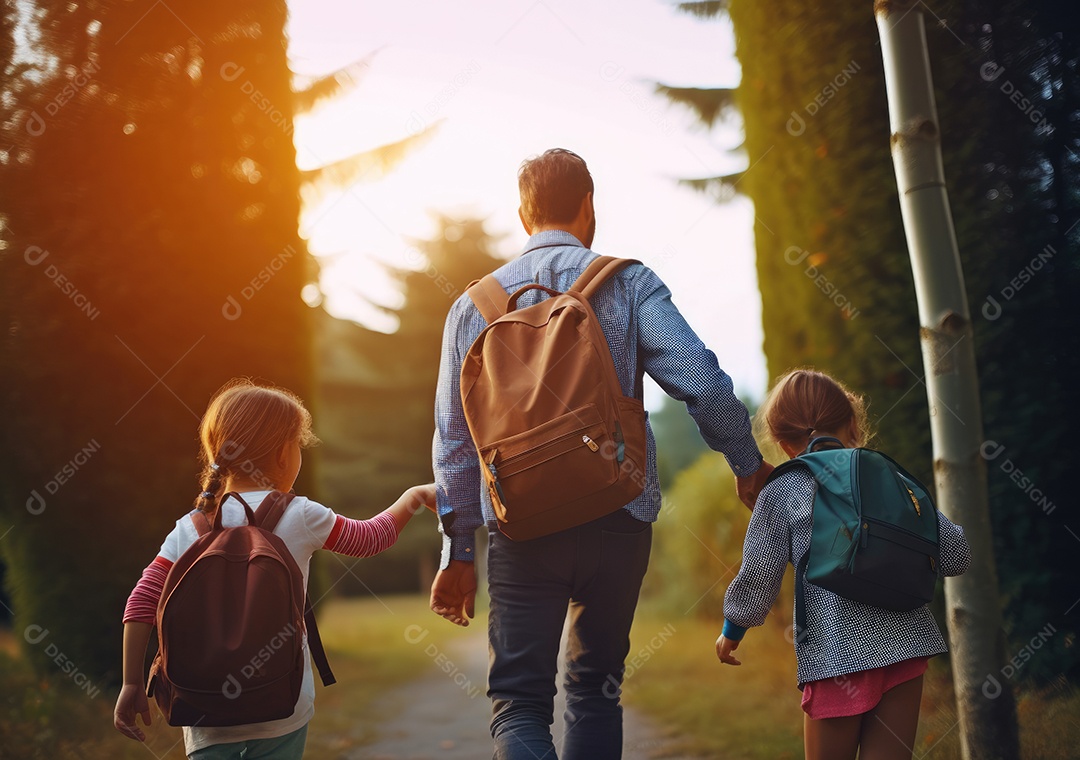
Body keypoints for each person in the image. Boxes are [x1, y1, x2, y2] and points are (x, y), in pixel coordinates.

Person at [429, 147, 773, 759]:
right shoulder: (628, 282)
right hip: (617, 517)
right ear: (589, 204)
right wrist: (747, 466)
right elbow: (703, 380)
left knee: (519, 701)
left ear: (523, 214)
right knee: (594, 691)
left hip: (522, 527)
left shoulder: (469, 309)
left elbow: (454, 441)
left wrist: (457, 550)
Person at [113, 379, 435, 759]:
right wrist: (412, 498)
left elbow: (142, 602)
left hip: (202, 710)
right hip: (282, 703)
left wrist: (132, 683)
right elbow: (369, 539)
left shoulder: (190, 527)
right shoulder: (300, 515)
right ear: (284, 454)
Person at [715, 368, 971, 760]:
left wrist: (733, 628)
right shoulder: (887, 476)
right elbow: (955, 553)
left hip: (835, 656)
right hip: (906, 646)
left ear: (783, 445)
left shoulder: (783, 489)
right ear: (852, 422)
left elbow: (758, 576)